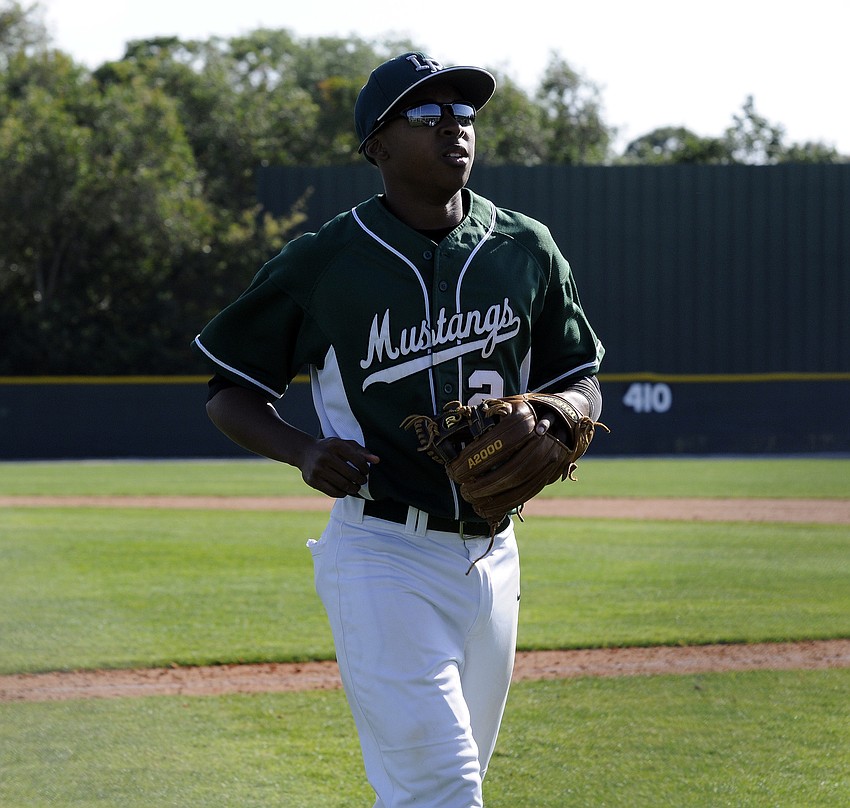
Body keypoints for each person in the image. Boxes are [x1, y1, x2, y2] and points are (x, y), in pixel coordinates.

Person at [194, 51, 604, 808]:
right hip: (384, 554)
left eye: (464, 112)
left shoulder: (525, 248)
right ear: (376, 146)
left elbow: (580, 372)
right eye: (426, 113)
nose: (454, 125)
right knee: (442, 791)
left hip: (495, 555)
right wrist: (304, 450)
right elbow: (229, 392)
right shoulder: (325, 261)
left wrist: (561, 411)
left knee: (439, 789)